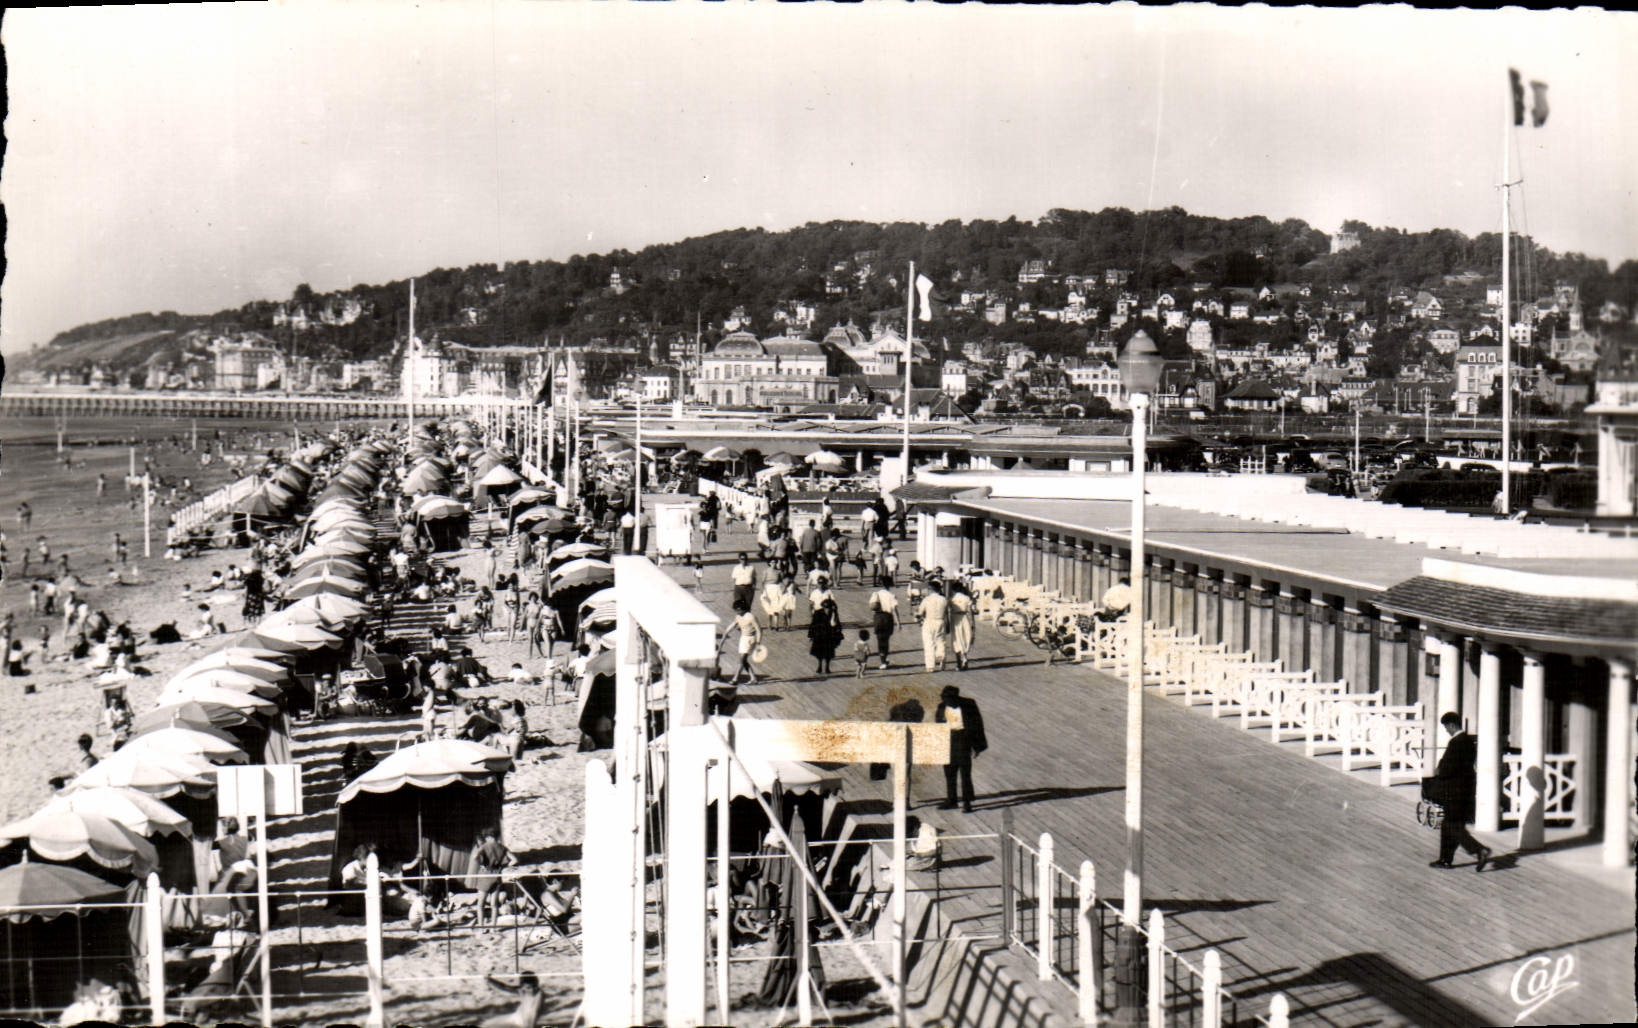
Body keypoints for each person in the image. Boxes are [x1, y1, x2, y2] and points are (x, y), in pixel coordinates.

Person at [1428, 712, 1492, 871]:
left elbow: (1449, 768)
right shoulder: (1470, 742)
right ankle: (1445, 859)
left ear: (1451, 725)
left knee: (1451, 826)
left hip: (1454, 792)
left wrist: (1439, 770)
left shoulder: (1456, 743)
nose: (1446, 731)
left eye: (1446, 727)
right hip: (1466, 791)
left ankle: (1479, 850)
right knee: (1452, 826)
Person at [935, 685, 987, 813]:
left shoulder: (969, 705)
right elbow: (937, 726)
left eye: (949, 700)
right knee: (949, 772)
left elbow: (978, 725)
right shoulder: (941, 707)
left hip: (963, 739)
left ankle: (967, 802)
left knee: (965, 773)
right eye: (945, 699)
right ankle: (951, 799)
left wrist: (978, 746)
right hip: (948, 740)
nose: (947, 702)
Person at [468, 827, 515, 925]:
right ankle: (494, 927)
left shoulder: (484, 846)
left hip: (485, 876)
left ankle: (481, 926)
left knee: (480, 904)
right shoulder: (502, 847)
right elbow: (515, 860)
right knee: (494, 905)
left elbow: (474, 856)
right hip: (497, 875)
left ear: (488, 837)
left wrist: (481, 864)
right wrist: (503, 866)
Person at [867, 575, 901, 669]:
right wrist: (898, 622)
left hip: (878, 617)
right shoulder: (891, 596)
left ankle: (882, 660)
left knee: (879, 639)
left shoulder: (876, 594)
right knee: (886, 640)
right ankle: (884, 660)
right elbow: (894, 610)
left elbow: (872, 608)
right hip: (888, 618)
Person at [728, 600, 763, 687]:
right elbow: (733, 624)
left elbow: (759, 630)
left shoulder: (751, 617)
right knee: (743, 660)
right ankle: (753, 678)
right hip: (743, 638)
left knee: (742, 659)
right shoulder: (738, 616)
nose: (736, 612)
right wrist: (726, 632)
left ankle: (735, 679)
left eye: (737, 610)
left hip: (751, 639)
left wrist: (758, 643)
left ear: (742, 609)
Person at [917, 584, 950, 672]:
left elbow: (920, 613)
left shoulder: (926, 599)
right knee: (940, 641)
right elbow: (947, 613)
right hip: (940, 621)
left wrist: (918, 619)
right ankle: (941, 656)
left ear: (930, 589)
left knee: (929, 643)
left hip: (929, 621)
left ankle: (930, 666)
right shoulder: (943, 599)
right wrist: (948, 624)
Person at [807, 597, 842, 676]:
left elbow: (837, 625)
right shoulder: (818, 613)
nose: (827, 610)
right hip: (819, 636)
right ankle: (819, 665)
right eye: (825, 608)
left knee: (829, 654)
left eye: (828, 608)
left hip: (829, 636)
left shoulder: (834, 613)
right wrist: (811, 635)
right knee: (819, 653)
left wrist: (838, 636)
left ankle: (827, 667)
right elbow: (813, 624)